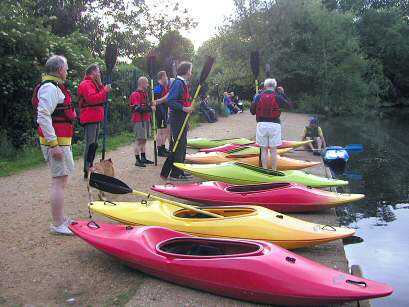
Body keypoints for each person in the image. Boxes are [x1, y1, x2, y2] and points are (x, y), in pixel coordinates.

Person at [33, 55, 76, 235]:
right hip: (56, 143)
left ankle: (60, 218)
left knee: (62, 179)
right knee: (59, 181)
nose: (67, 71)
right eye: (65, 68)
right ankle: (58, 223)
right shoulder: (50, 88)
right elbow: (43, 115)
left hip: (60, 141)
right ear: (59, 70)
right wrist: (54, 145)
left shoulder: (54, 87)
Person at [78, 64, 112, 179]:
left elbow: (101, 96)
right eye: (98, 71)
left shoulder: (94, 84)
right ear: (92, 72)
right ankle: (87, 168)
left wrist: (103, 86)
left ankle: (90, 166)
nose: (99, 73)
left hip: (95, 117)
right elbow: (91, 99)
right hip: (90, 117)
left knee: (94, 145)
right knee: (90, 144)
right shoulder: (86, 84)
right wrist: (104, 90)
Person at [250, 78, 292, 170]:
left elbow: (252, 111)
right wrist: (282, 93)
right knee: (273, 150)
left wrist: (254, 100)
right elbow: (289, 105)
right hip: (274, 125)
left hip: (262, 125)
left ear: (265, 86)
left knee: (263, 150)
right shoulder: (278, 97)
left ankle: (265, 169)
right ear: (275, 87)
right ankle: (274, 170)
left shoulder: (259, 96)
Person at [166, 61, 194, 180]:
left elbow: (182, 100)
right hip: (177, 118)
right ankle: (175, 173)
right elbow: (170, 101)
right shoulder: (178, 83)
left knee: (183, 144)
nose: (191, 72)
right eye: (191, 70)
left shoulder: (182, 83)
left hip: (182, 117)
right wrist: (184, 108)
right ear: (187, 70)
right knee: (179, 144)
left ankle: (180, 170)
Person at [129, 76, 155, 167]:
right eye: (147, 83)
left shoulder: (145, 93)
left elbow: (146, 106)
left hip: (146, 119)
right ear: (142, 83)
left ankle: (143, 158)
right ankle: (137, 160)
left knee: (144, 140)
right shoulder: (135, 94)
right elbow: (137, 108)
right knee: (139, 140)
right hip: (139, 120)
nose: (148, 85)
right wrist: (150, 109)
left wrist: (151, 105)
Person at [153, 71, 171, 157]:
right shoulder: (157, 86)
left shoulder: (164, 86)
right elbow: (156, 100)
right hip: (160, 111)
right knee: (161, 131)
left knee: (165, 130)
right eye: (166, 76)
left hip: (164, 109)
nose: (167, 78)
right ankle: (159, 150)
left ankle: (163, 147)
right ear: (162, 77)